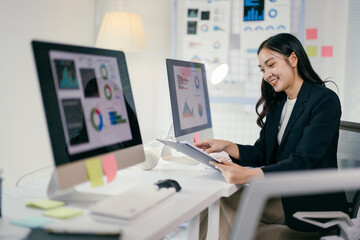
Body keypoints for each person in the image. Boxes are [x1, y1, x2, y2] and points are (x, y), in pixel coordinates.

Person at [195, 33, 348, 239]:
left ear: (293, 59)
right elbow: (262, 152)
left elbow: (303, 161)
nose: (267, 74)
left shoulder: (324, 100)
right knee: (215, 204)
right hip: (282, 193)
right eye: (262, 69)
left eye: (271, 65)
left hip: (311, 200)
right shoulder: (278, 103)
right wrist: (226, 146)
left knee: (223, 206)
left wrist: (248, 175)